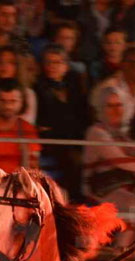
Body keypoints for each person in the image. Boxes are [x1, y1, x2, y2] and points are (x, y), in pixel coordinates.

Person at [35, 43, 87, 196]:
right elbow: (44, 121)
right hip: (51, 141)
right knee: (73, 159)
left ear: (66, 65)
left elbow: (82, 115)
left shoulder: (75, 87)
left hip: (75, 137)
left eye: (57, 62)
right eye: (49, 62)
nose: (52, 66)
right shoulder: (38, 88)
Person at [82, 87, 135, 209]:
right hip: (101, 188)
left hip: (127, 183)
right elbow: (122, 161)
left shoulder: (126, 133)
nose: (116, 110)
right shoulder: (96, 132)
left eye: (119, 105)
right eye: (110, 106)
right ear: (102, 109)